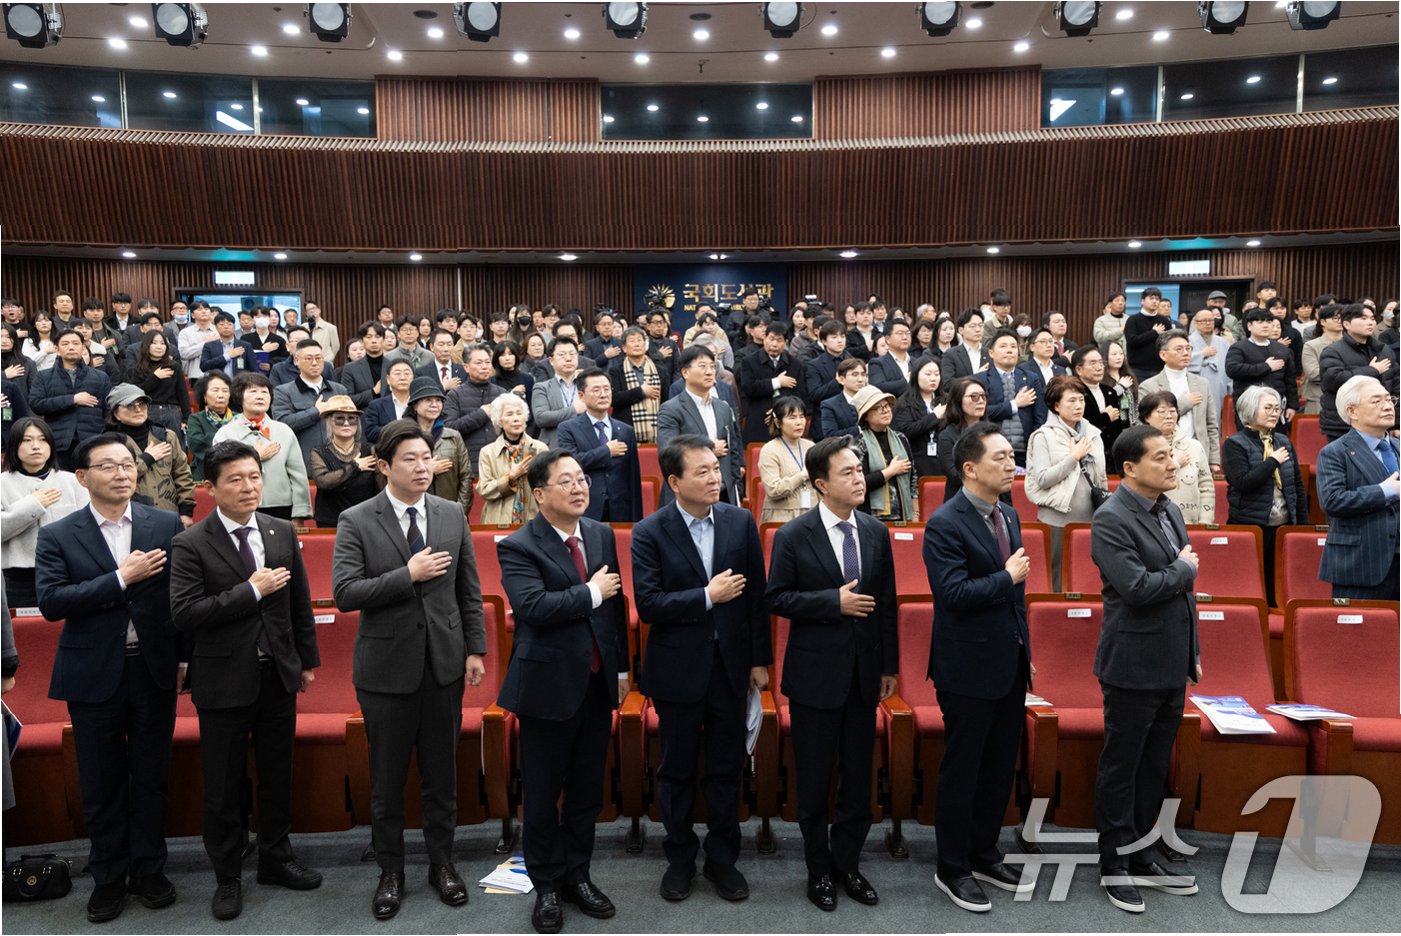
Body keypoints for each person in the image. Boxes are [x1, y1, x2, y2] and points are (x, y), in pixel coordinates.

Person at [331, 420, 487, 920]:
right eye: (410, 460)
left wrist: (475, 649)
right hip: (385, 670)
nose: (423, 468)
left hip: (444, 663)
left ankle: (443, 863)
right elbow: (345, 593)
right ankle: (391, 870)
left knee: (441, 776)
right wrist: (408, 575)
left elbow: (468, 588)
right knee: (387, 779)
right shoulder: (356, 519)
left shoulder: (451, 512)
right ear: (384, 466)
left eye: (426, 458)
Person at [35, 432, 187, 923]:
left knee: (151, 774)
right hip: (93, 671)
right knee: (101, 780)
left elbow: (179, 598)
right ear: (82, 477)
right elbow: (52, 602)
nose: (122, 473)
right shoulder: (59, 533)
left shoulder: (164, 523)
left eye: (127, 464)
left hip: (152, 667)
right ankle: (107, 876)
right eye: (108, 466)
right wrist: (121, 578)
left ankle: (149, 869)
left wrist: (184, 660)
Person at [168, 441, 323, 920]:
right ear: (211, 488)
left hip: (277, 674)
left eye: (255, 476)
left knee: (277, 774)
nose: (249, 487)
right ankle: (227, 875)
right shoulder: (191, 542)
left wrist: (306, 661)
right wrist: (249, 591)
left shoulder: (279, 530)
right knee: (223, 784)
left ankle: (276, 858)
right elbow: (185, 613)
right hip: (222, 679)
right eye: (235, 479)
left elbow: (298, 603)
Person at [631, 436, 772, 903]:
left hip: (731, 667)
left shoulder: (739, 521)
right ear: (674, 481)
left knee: (727, 768)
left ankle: (722, 858)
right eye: (703, 472)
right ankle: (679, 858)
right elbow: (649, 604)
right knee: (676, 769)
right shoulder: (649, 531)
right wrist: (707, 596)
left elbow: (755, 598)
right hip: (677, 668)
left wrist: (758, 661)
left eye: (716, 468)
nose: (715, 478)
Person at [495, 450, 630, 934]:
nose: (579, 488)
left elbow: (615, 607)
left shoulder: (599, 533)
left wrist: (620, 671)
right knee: (542, 794)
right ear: (539, 493)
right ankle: (547, 884)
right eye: (566, 481)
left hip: (595, 682)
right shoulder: (518, 545)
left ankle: (578, 875)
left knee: (586, 793)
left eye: (582, 480)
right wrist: (591, 591)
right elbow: (533, 607)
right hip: (546, 686)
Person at [765, 435, 898, 912]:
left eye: (860, 470)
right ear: (821, 484)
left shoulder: (875, 531)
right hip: (815, 678)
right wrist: (831, 603)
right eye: (848, 472)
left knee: (858, 781)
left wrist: (889, 666)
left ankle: (848, 865)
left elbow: (887, 605)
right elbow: (777, 598)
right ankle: (818, 870)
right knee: (815, 780)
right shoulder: (793, 535)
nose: (860, 478)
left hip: (864, 675)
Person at [1091, 425, 1202, 915]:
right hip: (1133, 663)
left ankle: (1141, 852)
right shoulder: (1110, 518)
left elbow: (1183, 594)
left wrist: (1192, 652)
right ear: (1130, 468)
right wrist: (1183, 569)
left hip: (1172, 661)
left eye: (1171, 453)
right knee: (1123, 766)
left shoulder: (1169, 509)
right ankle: (1114, 863)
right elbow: (1136, 588)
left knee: (1154, 766)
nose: (1172, 463)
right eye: (1160, 457)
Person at [924, 424, 1035, 913]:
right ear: (970, 468)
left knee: (998, 766)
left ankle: (984, 851)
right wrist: (1005, 578)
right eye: (1000, 457)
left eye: (1012, 456)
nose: (1011, 465)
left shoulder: (1007, 513)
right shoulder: (945, 523)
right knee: (963, 769)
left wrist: (1024, 647)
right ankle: (952, 866)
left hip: (1009, 660)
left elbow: (1017, 599)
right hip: (966, 666)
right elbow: (952, 594)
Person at [1315, 375, 1400, 599]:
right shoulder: (1335, 452)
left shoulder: (1398, 447)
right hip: (1362, 565)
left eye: (1389, 399)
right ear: (1352, 411)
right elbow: (1332, 500)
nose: (1387, 406)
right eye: (1376, 401)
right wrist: (1386, 491)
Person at [1221, 386, 1307, 606]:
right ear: (1250, 410)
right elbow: (1243, 483)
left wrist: (1302, 525)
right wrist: (1273, 462)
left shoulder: (1283, 441)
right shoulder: (1234, 443)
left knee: (1276, 585)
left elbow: (1297, 484)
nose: (1274, 413)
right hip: (1251, 524)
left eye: (1277, 409)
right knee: (1251, 583)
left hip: (1284, 523)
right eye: (1268, 408)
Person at [1025, 376, 1108, 590]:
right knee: (1057, 580)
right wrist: (1073, 458)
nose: (1079, 405)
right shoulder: (1043, 436)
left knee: (1088, 578)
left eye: (1081, 400)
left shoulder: (1093, 433)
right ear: (1056, 406)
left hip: (1091, 518)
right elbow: (1042, 479)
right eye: (1071, 401)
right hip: (1056, 520)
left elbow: (1101, 478)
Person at [2, 417, 89, 607]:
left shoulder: (73, 482)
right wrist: (33, 505)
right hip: (17, 579)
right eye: (27, 440)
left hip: (66, 574)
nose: (36, 446)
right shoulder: (3, 483)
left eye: (43, 440)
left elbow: (88, 527)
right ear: (14, 445)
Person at [213, 374, 312, 521]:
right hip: (239, 505)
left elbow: (298, 475)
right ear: (240, 396)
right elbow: (221, 471)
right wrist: (256, 457)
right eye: (253, 391)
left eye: (264, 392)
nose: (260, 396)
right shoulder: (226, 433)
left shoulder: (284, 431)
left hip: (280, 506)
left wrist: (300, 513)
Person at [656, 346, 743, 506]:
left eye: (712, 366)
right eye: (702, 366)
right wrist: (709, 448)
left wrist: (737, 490)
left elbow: (734, 451)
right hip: (688, 496)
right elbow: (668, 452)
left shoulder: (723, 408)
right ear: (685, 372)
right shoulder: (671, 409)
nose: (710, 372)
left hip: (722, 493)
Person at [556, 368, 644, 523]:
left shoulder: (626, 430)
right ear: (581, 396)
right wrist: (606, 451)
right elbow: (571, 464)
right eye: (596, 390)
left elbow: (633, 479)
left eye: (607, 389)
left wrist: (636, 519)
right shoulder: (568, 428)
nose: (603, 394)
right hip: (586, 507)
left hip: (620, 508)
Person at [107, 384, 196, 526]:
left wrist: (186, 512)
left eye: (142, 404)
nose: (138, 409)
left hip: (169, 515)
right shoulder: (109, 443)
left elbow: (182, 474)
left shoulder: (166, 436)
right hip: (129, 519)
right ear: (116, 413)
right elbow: (112, 479)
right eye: (130, 405)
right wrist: (147, 458)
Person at [28, 329, 113, 470]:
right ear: (56, 349)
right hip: (59, 442)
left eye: (75, 343)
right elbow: (36, 404)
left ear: (83, 347)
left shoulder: (100, 377)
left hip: (93, 441)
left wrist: (105, 435)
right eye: (65, 344)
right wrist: (72, 399)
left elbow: (109, 409)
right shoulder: (43, 376)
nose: (71, 347)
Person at [1139, 330, 1221, 469]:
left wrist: (1214, 460)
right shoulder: (1149, 386)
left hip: (1198, 453)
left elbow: (1211, 424)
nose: (1185, 353)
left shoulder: (1202, 383)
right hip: (1163, 454)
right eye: (1179, 349)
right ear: (1163, 355)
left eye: (1188, 348)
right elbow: (1144, 424)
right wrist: (1184, 403)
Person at [1319, 303, 1399, 442]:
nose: (1370, 322)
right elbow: (1333, 380)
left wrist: (1396, 423)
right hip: (1344, 424)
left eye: (1372, 318)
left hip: (1380, 423)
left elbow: (1396, 386)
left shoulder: (1383, 350)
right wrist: (1372, 371)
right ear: (1347, 324)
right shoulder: (1333, 351)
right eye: (1363, 318)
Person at [1139, 392, 1215, 525]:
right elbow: (1142, 481)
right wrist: (1175, 464)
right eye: (1161, 411)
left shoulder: (1194, 446)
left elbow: (1206, 484)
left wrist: (1205, 521)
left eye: (1173, 411)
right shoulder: (1140, 446)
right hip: (1153, 523)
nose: (1169, 416)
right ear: (1147, 417)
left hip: (1190, 523)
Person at [271, 339, 349, 469]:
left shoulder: (339, 390)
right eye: (308, 358)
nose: (314, 363)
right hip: (304, 463)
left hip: (340, 461)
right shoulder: (283, 391)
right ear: (296, 360)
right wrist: (316, 411)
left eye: (318, 358)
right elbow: (283, 423)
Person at [404, 379, 475, 518]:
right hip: (413, 513)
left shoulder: (453, 436)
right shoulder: (403, 437)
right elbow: (395, 477)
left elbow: (466, 477)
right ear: (415, 406)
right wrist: (428, 470)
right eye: (428, 400)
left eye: (438, 400)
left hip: (450, 513)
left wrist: (459, 512)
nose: (434, 405)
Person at [477, 393, 549, 526]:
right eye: (509, 414)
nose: (516, 418)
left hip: (534, 518)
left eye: (519, 413)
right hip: (498, 520)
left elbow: (548, 487)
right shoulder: (488, 452)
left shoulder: (540, 449)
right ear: (499, 421)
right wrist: (510, 477)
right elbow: (484, 490)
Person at [1225, 307, 1301, 432]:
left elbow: (1290, 381)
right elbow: (1232, 369)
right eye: (1260, 322)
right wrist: (1266, 367)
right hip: (1249, 406)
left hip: (1276, 407)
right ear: (1250, 326)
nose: (1265, 325)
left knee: (1276, 441)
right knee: (1250, 441)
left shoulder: (1282, 350)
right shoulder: (1239, 347)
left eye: (1269, 322)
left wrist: (1292, 406)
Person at [307, 396, 379, 528]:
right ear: (329, 422)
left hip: (366, 521)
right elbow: (323, 482)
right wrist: (355, 466)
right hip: (331, 522)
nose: (346, 423)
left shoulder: (370, 450)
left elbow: (380, 488)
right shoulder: (319, 452)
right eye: (339, 418)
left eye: (352, 418)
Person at [850, 386, 915, 523]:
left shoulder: (901, 438)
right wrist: (890, 472)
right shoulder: (859, 444)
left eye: (886, 405)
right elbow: (859, 483)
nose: (885, 410)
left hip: (905, 514)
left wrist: (916, 512)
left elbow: (913, 477)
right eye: (877, 408)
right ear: (865, 416)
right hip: (872, 517)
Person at [442, 343, 506, 471]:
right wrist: (481, 414)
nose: (484, 367)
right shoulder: (455, 395)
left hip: (501, 462)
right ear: (466, 367)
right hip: (469, 463)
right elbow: (449, 429)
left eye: (487, 362)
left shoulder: (502, 394)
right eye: (479, 363)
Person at [737, 321, 800, 447]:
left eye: (779, 340)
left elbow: (800, 394)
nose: (774, 344)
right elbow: (748, 388)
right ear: (764, 338)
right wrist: (777, 382)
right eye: (771, 339)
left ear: (786, 342)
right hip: (758, 419)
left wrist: (780, 410)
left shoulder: (795, 364)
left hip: (786, 421)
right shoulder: (749, 361)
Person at [983, 330, 1037, 467]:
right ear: (991, 353)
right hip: (992, 449)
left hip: (1026, 451)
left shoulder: (1031, 378)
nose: (1009, 350)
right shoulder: (981, 379)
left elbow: (1040, 416)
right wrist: (1015, 404)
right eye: (1003, 346)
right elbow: (982, 412)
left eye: (1013, 347)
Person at [757, 396, 816, 524]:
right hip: (782, 516)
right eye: (792, 417)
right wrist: (802, 476)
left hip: (812, 514)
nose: (799, 422)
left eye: (802, 416)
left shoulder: (811, 446)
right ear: (778, 423)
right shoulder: (770, 450)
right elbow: (773, 490)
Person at [608, 326, 668, 444]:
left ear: (645, 345)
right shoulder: (616, 370)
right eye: (632, 341)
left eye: (639, 340)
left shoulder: (660, 370)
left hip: (656, 428)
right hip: (626, 428)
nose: (636, 344)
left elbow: (665, 401)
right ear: (624, 348)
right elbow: (614, 399)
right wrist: (641, 392)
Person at [1071, 345, 1125, 472]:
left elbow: (1116, 427)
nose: (1099, 367)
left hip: (1110, 457)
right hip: (1086, 456)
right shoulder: (1074, 393)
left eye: (1101, 363)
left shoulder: (1109, 391)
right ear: (1079, 369)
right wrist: (1105, 418)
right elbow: (1077, 425)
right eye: (1093, 363)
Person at [125, 331, 190, 435]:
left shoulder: (174, 366)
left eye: (162, 343)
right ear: (147, 345)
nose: (159, 346)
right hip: (148, 411)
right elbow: (137, 392)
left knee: (174, 443)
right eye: (154, 343)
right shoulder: (139, 368)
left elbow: (183, 394)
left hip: (171, 412)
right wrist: (155, 377)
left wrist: (186, 418)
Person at [937, 377, 990, 504]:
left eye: (983, 396)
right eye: (974, 396)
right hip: (960, 503)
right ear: (958, 400)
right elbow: (956, 476)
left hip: (991, 501)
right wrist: (990, 473)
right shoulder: (947, 436)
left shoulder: (992, 434)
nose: (981, 401)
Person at [893, 357, 947, 479]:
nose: (933, 378)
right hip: (918, 463)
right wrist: (934, 417)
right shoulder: (904, 403)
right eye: (928, 374)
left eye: (937, 374)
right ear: (915, 375)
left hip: (944, 461)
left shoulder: (946, 401)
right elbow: (905, 432)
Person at [531, 337, 586, 448]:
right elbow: (541, 418)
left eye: (572, 354)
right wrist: (574, 410)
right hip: (555, 447)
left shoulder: (587, 385)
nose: (568, 359)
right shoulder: (542, 388)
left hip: (585, 445)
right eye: (562, 355)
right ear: (551, 361)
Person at [187, 372, 237, 483]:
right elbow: (196, 443)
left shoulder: (239, 418)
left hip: (235, 472)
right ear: (204, 396)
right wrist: (232, 443)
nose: (221, 395)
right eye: (215, 390)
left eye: (225, 391)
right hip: (205, 473)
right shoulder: (196, 419)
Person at [1188, 308, 1232, 427]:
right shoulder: (1187, 341)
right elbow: (1180, 361)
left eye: (1210, 320)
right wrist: (1201, 355)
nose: (1207, 323)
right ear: (1196, 323)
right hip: (1195, 386)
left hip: (1218, 386)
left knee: (1216, 419)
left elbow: (1228, 366)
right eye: (1204, 321)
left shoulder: (1223, 342)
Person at [1301, 303, 1344, 414]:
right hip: (1318, 398)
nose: (1340, 321)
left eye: (1342, 317)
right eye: (1335, 318)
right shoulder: (1311, 345)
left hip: (1347, 397)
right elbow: (1313, 373)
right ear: (1323, 322)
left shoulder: (1353, 344)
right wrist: (1347, 373)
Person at [1124, 288, 1175, 381]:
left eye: (1157, 299)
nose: (1154, 301)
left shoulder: (1164, 321)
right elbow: (1132, 341)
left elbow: (1170, 343)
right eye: (1151, 298)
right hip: (1138, 370)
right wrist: (1153, 333)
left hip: (1160, 368)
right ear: (1142, 301)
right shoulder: (1133, 320)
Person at [362, 358, 417, 444]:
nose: (403, 377)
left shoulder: (419, 403)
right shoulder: (376, 405)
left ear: (413, 378)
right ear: (388, 379)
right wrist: (398, 429)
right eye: (397, 373)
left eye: (407, 373)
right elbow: (371, 433)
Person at [341, 322, 390, 408]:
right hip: (363, 414)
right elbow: (347, 400)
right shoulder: (350, 368)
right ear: (361, 341)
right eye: (369, 337)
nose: (374, 341)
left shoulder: (393, 365)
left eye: (377, 336)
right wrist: (373, 392)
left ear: (383, 339)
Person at [818, 358, 868, 440]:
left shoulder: (872, 399)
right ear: (842, 380)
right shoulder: (830, 405)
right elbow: (830, 435)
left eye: (863, 375)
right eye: (855, 375)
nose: (860, 379)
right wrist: (860, 429)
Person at [200, 312, 255, 382]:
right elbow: (204, 366)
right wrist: (227, 356)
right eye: (222, 324)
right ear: (216, 327)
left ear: (234, 327)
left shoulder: (245, 345)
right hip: (218, 384)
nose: (226, 327)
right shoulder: (209, 346)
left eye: (229, 324)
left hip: (240, 384)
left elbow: (253, 369)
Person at [939, 309, 989, 383]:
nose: (978, 329)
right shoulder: (951, 354)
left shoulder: (990, 354)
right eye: (973, 326)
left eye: (980, 325)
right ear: (961, 330)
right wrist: (976, 377)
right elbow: (947, 384)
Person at [490, 339, 536, 403]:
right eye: (502, 355)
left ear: (516, 357)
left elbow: (531, 404)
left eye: (510, 354)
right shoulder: (492, 381)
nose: (507, 358)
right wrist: (511, 393)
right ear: (497, 359)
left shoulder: (527, 379)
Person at [303, 301, 340, 365]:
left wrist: (329, 358)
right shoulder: (303, 327)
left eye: (313, 308)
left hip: (325, 362)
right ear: (306, 313)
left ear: (319, 310)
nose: (312, 311)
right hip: (308, 363)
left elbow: (335, 346)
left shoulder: (330, 327)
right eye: (309, 309)